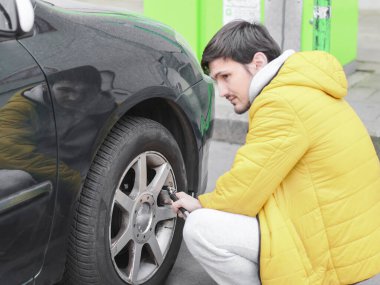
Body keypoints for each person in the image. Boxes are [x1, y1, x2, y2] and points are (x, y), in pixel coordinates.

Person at [171, 20, 380, 285]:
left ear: (257, 62)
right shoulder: (301, 86)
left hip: (333, 251)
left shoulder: (280, 102)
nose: (222, 91)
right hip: (354, 239)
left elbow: (245, 190)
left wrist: (201, 204)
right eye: (216, 81)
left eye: (226, 76)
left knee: (200, 228)